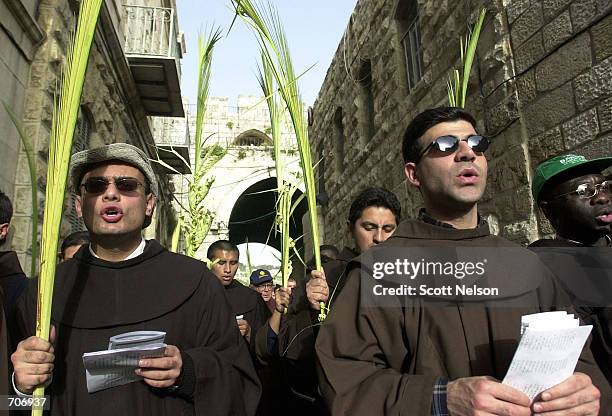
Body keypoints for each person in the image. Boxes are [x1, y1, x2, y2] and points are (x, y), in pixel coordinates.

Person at [315, 107, 611, 415]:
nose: (466, 153)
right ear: (414, 174)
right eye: (445, 145)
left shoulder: (528, 266)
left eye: (476, 143)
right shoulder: (380, 271)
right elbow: (345, 383)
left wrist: (587, 395)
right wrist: (439, 399)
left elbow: (582, 366)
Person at [11, 143, 260, 415]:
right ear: (80, 206)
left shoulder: (196, 283)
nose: (110, 194)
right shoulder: (45, 291)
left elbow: (241, 385)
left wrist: (187, 371)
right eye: (96, 186)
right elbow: (10, 404)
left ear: (149, 205)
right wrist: (21, 387)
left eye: (126, 185)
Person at [276, 187, 401, 415]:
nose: (379, 238)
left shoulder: (408, 276)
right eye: (369, 227)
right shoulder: (325, 278)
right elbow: (288, 348)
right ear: (350, 229)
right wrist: (311, 309)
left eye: (388, 229)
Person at [529, 154, 612, 384]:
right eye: (584, 191)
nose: (603, 197)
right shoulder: (545, 270)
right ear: (549, 211)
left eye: (604, 185)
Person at [207, 240, 270, 345]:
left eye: (233, 263)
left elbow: (268, 342)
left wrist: (249, 333)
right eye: (221, 263)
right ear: (210, 263)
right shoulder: (197, 295)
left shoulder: (251, 298)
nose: (228, 269)